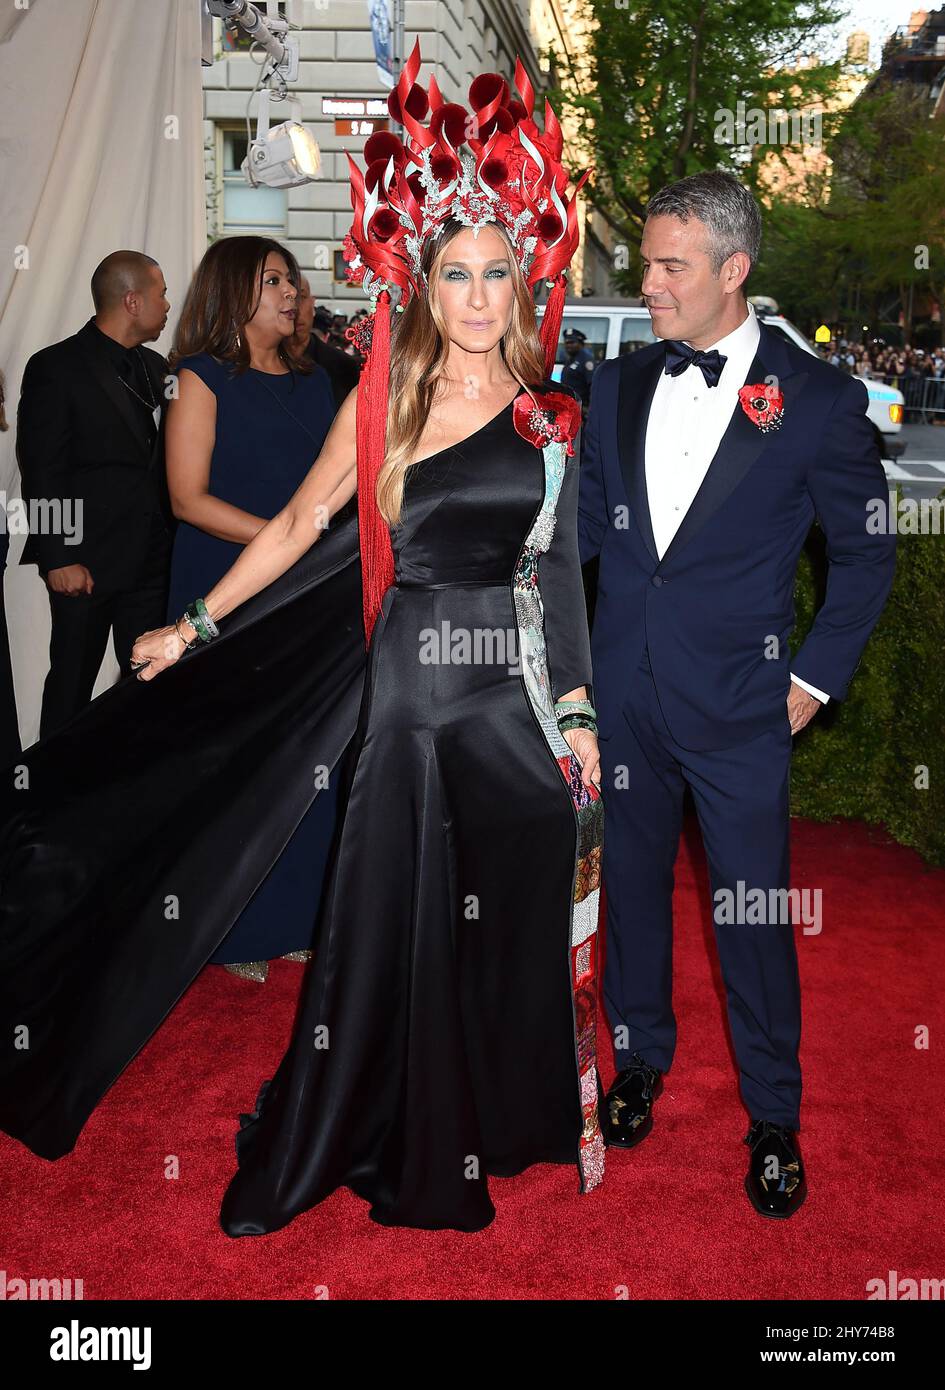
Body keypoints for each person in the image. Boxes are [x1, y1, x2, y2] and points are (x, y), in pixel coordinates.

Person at [0, 41, 604, 1236]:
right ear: (424, 287)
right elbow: (291, 524)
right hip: (411, 702)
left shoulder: (551, 419)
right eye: (456, 275)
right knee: (395, 915)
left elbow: (560, 582)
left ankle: (494, 1113)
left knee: (507, 901)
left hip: (512, 704)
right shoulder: (382, 401)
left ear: (519, 284)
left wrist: (579, 716)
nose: (478, 296)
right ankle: (351, 1122)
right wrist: (194, 622)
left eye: (496, 274)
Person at [578, 171, 896, 1219]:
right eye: (647, 263)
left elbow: (866, 556)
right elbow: (577, 542)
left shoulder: (819, 401)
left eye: (670, 266)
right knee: (627, 892)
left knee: (749, 914)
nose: (649, 283)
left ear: (733, 270)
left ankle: (772, 1115)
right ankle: (637, 1063)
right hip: (621, 697)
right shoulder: (615, 387)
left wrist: (811, 680)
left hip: (743, 710)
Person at [165, 237, 342, 981]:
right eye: (272, 279)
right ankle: (231, 929)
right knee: (235, 765)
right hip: (225, 588)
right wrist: (286, 542)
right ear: (234, 292)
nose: (291, 290)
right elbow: (186, 499)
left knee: (310, 759)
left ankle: (299, 917)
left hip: (306, 592)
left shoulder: (319, 379)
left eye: (292, 279)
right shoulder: (197, 380)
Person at [16, 251, 173, 739]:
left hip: (151, 561)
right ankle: (41, 804)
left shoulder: (155, 367)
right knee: (71, 686)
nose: (167, 304)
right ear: (132, 300)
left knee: (147, 686)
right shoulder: (55, 366)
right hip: (84, 564)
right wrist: (58, 556)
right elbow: (41, 469)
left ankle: (126, 796)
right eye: (161, 293)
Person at [293, 282, 361, 411]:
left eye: (301, 297)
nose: (294, 308)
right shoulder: (253, 367)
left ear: (312, 303)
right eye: (287, 298)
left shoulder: (344, 366)